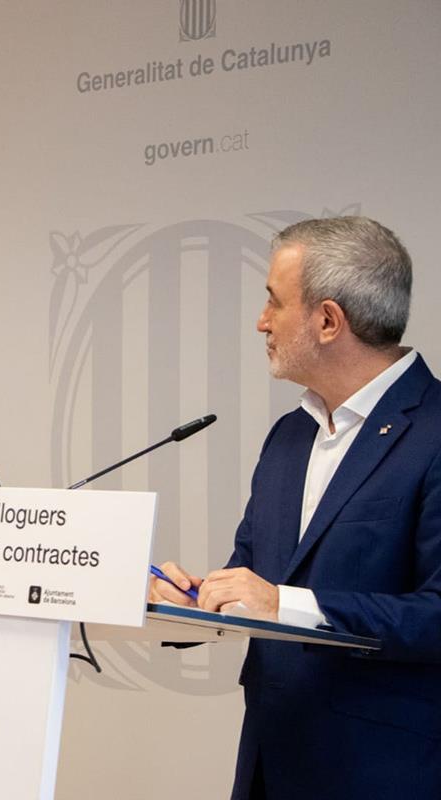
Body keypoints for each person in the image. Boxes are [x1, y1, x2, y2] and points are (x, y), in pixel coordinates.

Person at [150, 217, 441, 799]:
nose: (262, 321)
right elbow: (255, 582)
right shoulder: (289, 436)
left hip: (381, 774)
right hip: (269, 763)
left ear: (328, 320)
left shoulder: (433, 432)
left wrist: (283, 602)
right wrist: (192, 601)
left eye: (272, 302)